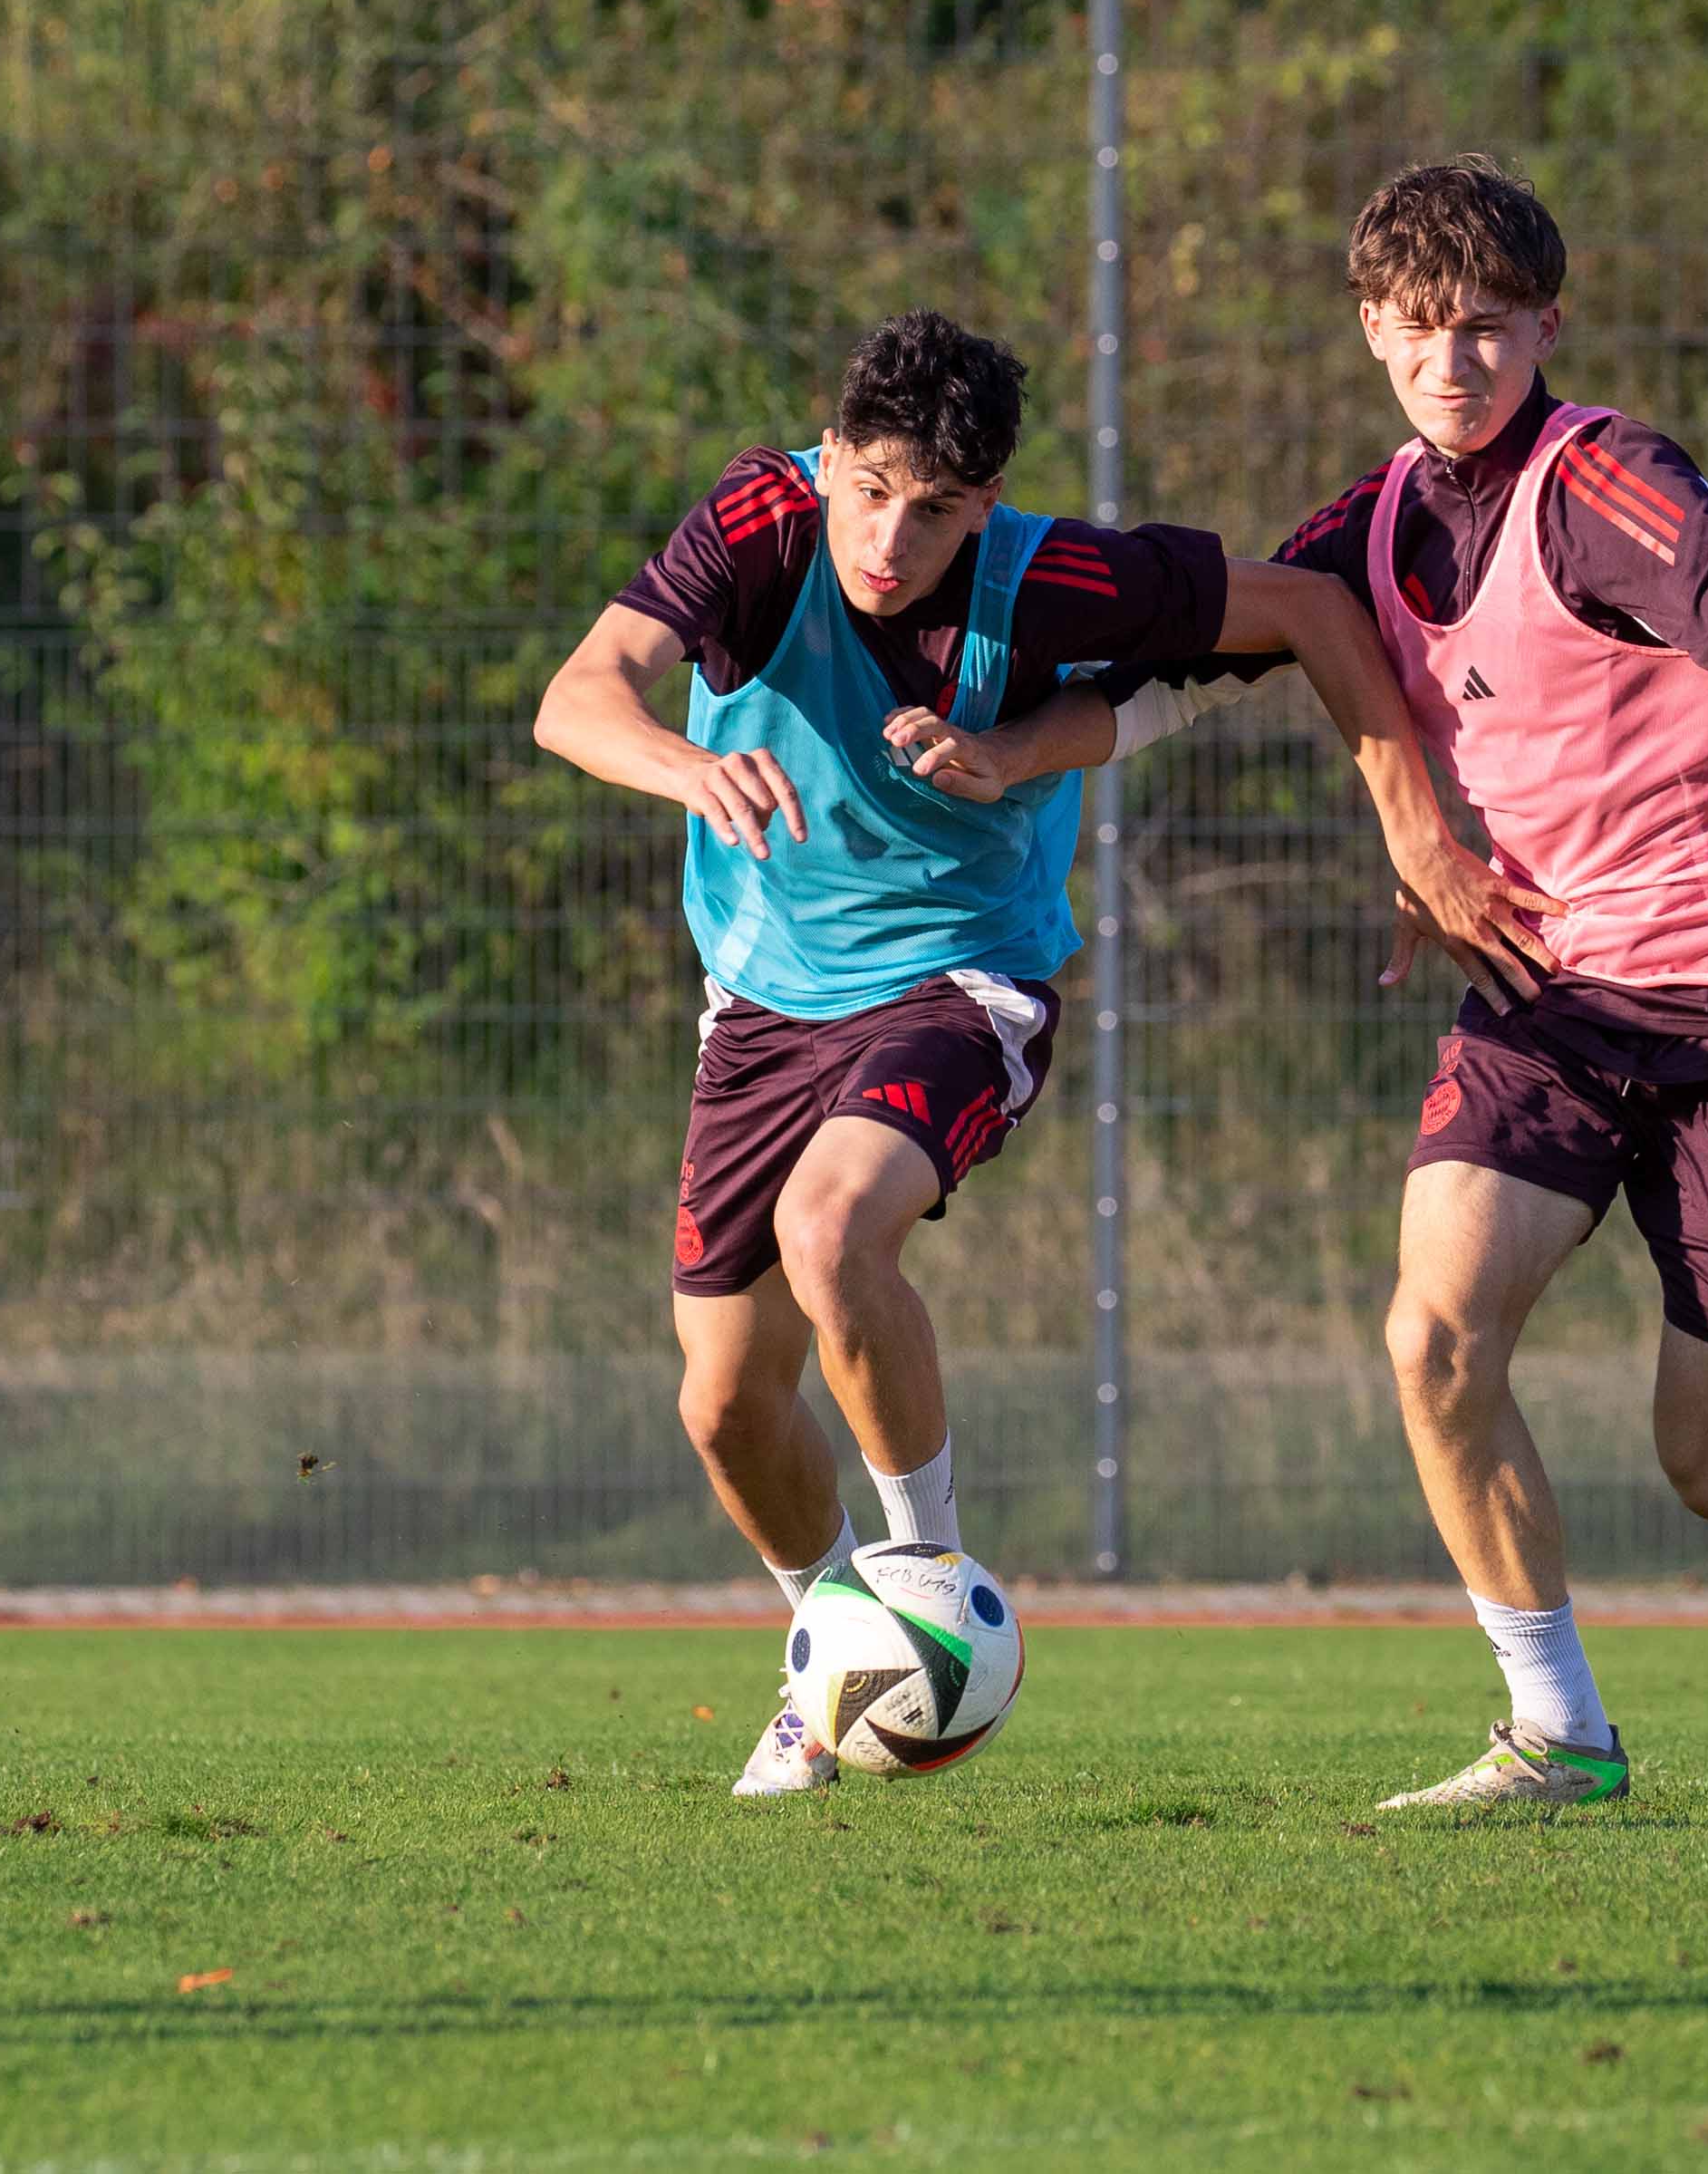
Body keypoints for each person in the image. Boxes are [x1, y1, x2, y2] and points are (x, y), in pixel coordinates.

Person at [960, 159, 1708, 1810]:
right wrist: (1002, 749)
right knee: (1432, 1336)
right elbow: (1181, 684)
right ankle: (1560, 1730)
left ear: (1545, 326)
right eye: (1414, 330)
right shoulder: (1376, 524)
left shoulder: (1605, 484)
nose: (1448, 363)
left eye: (1483, 329)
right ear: (1371, 331)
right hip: (1543, 983)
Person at [531, 310, 1528, 1798]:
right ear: (829, 460)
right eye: (868, 489)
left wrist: (1421, 842)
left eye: (933, 510)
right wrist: (687, 763)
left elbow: (1313, 615)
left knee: (832, 1230)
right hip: (759, 1004)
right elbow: (575, 698)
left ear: (985, 504)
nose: (888, 535)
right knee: (724, 1407)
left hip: (961, 977)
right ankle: (846, 1660)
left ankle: (926, 1574)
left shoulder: (1054, 573)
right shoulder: (760, 517)